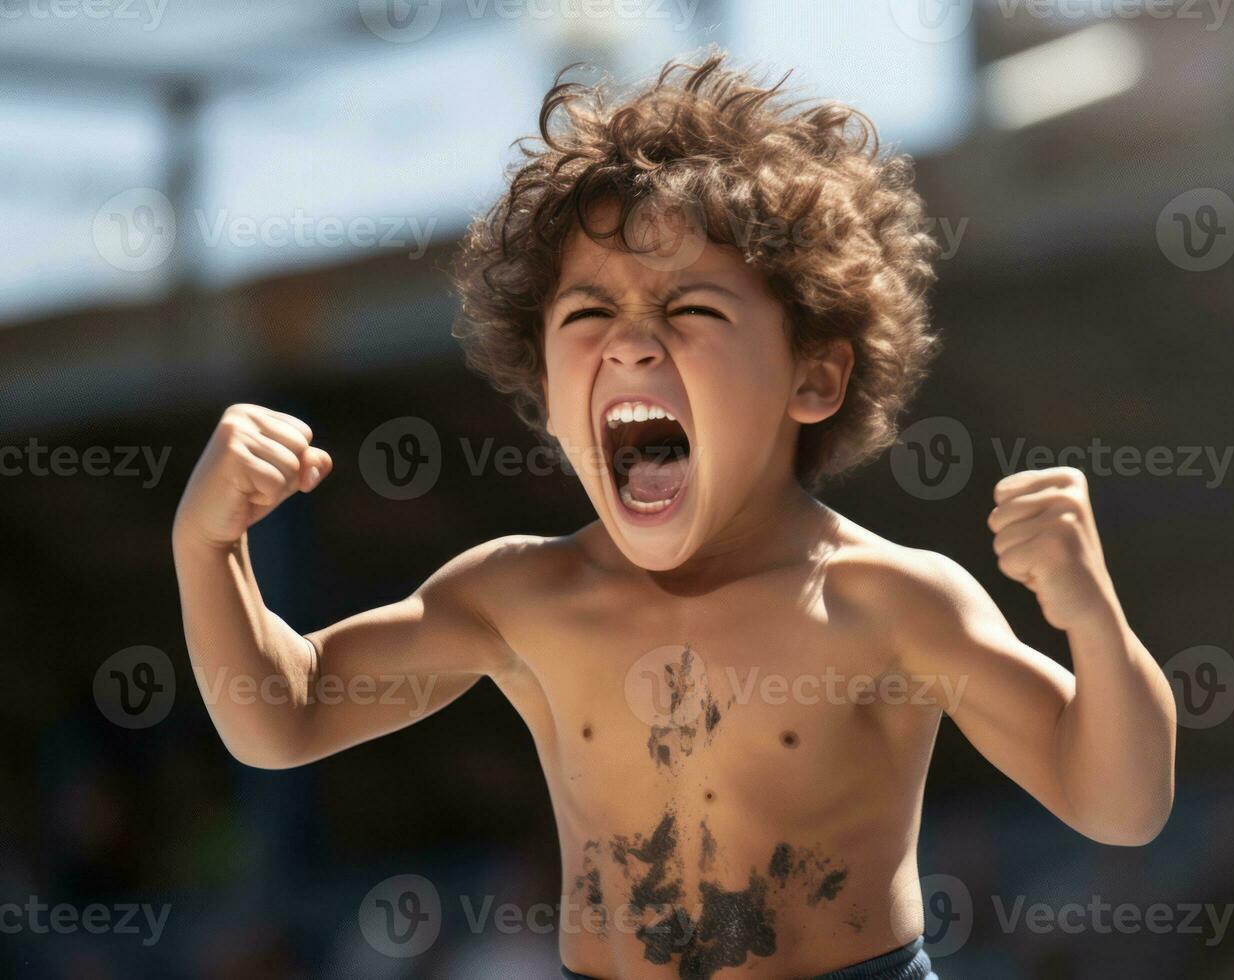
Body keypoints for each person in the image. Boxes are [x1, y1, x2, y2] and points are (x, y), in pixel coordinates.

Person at [171, 50, 1177, 980]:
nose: (631, 344)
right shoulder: (519, 595)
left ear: (814, 376)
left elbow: (1118, 803)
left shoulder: (884, 600)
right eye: (587, 314)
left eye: (690, 309)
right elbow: (280, 715)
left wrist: (1090, 614)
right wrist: (207, 543)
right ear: (549, 392)